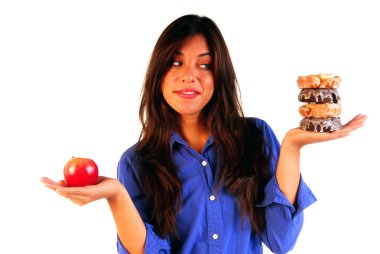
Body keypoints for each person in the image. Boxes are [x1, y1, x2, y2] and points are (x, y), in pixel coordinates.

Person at [41, 14, 367, 254]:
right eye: (175, 62)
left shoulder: (255, 136)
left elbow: (281, 241)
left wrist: (293, 147)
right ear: (158, 74)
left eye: (205, 65)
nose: (189, 77)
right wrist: (115, 195)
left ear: (219, 75)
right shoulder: (137, 162)